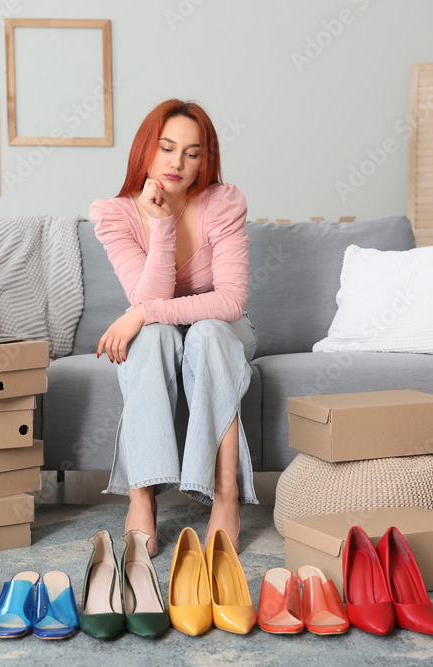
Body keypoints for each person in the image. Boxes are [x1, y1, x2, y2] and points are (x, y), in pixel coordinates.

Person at [89, 99, 257, 558]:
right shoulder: (115, 214)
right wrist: (161, 226)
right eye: (166, 148)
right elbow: (148, 296)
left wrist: (142, 314)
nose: (177, 163)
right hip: (162, 334)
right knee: (155, 339)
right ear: (147, 149)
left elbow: (230, 302)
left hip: (224, 332)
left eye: (192, 152)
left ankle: (226, 495)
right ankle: (141, 495)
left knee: (204, 333)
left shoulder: (223, 203)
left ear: (206, 159)